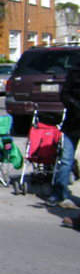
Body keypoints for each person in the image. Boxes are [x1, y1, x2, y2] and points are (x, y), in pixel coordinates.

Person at [49, 60, 80, 208]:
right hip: (73, 123)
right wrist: (72, 102)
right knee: (66, 159)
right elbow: (64, 94)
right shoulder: (74, 72)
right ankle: (59, 193)